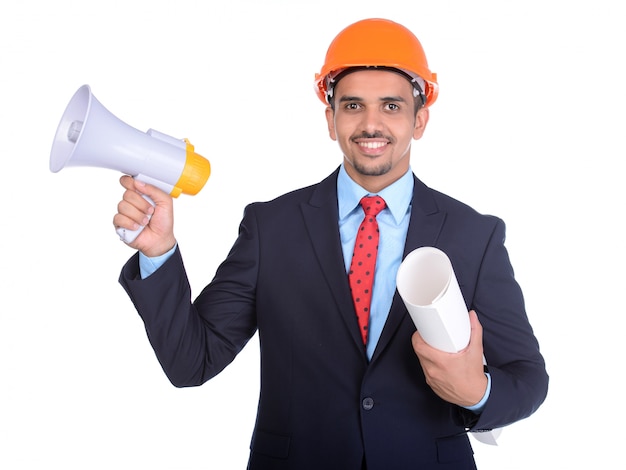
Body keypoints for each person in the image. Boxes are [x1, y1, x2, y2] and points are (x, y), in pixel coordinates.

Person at [115, 18, 548, 470]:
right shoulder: (271, 227)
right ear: (331, 119)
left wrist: (475, 391)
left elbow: (528, 378)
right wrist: (158, 251)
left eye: (392, 106)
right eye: (353, 105)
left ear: (420, 120)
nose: (371, 123)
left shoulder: (474, 236)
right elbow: (192, 362)